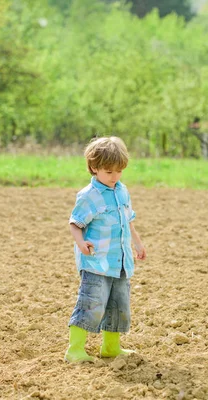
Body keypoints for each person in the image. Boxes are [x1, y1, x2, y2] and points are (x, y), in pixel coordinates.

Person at [65, 136, 146, 363]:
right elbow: (75, 223)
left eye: (119, 171)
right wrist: (81, 244)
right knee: (91, 303)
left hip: (120, 262)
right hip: (96, 262)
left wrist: (137, 243)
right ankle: (75, 350)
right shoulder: (89, 196)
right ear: (94, 168)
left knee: (118, 306)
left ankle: (111, 347)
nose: (114, 177)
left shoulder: (122, 191)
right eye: (109, 172)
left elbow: (128, 221)